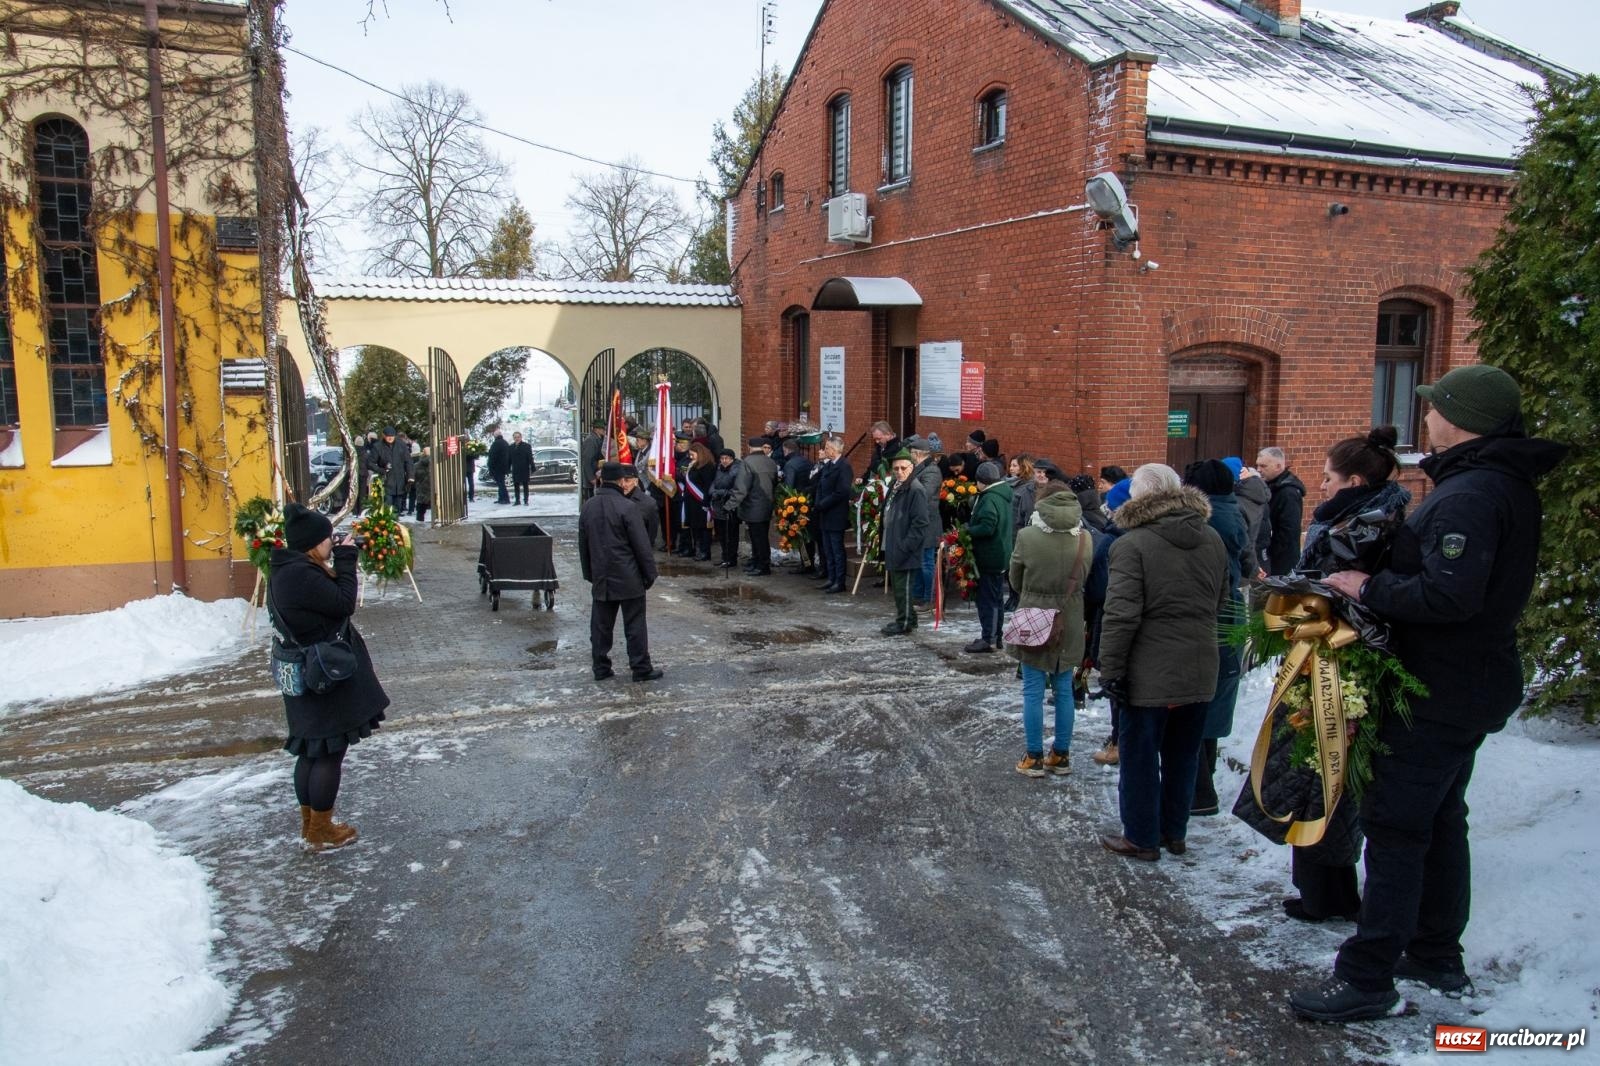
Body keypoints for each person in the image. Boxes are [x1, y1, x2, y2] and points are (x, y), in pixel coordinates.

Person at [1290, 372, 1564, 1022]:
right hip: (1464, 683)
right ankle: (1435, 951)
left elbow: (1449, 595)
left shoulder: (1473, 494)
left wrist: (1366, 586)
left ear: (1460, 419)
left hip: (1436, 691)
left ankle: (1368, 977)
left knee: (1396, 828)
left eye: (1436, 407)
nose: (1428, 417)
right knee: (1440, 818)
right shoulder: (1491, 483)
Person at [1098, 464, 1229, 861]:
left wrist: (1112, 669)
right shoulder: (1212, 539)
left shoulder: (1132, 545)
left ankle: (1141, 836)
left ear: (1141, 498)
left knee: (1139, 757)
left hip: (1148, 672)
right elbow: (1222, 602)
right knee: (1183, 756)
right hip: (1201, 664)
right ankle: (1175, 832)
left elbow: (1120, 615)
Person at [268, 503, 388, 851]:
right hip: (322, 676)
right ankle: (320, 828)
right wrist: (348, 561)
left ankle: (311, 824)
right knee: (328, 753)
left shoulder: (288, 569)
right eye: (327, 538)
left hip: (308, 673)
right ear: (311, 543)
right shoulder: (301, 575)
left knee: (311, 750)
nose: (331, 543)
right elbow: (344, 602)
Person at [1007, 482, 1094, 776]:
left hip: (1034, 616)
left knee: (1032, 690)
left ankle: (1033, 757)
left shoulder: (1027, 536)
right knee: (1064, 689)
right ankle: (1061, 755)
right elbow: (1086, 578)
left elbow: (1015, 578)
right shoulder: (1085, 538)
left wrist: (1033, 594)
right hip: (1070, 619)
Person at [1180, 459, 1247, 818]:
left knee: (1198, 701)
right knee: (1215, 698)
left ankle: (1199, 790)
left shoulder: (1208, 522)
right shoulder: (1233, 512)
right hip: (1230, 614)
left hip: (1213, 617)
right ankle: (1202, 787)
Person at [578, 462, 663, 683]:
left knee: (600, 625)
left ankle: (600, 667)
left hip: (602, 575)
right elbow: (642, 545)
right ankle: (641, 668)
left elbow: (583, 545)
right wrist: (649, 574)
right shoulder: (627, 507)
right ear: (620, 481)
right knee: (634, 624)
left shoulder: (588, 506)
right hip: (629, 575)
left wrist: (589, 573)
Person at [1088, 477, 1132, 767]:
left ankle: (1119, 741)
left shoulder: (1115, 541)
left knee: (1119, 687)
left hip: (1117, 622)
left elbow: (1099, 590)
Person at [964, 461, 1015, 653]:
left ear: (982, 481)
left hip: (990, 556)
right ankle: (995, 636)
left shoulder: (990, 498)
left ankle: (990, 638)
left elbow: (987, 526)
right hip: (1000, 555)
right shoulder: (1002, 494)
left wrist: (968, 531)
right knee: (996, 599)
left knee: (988, 600)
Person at [880, 450, 929, 635]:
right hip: (894, 542)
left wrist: (906, 546)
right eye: (895, 468)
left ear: (911, 468)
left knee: (903, 587)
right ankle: (908, 617)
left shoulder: (915, 489)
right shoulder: (896, 484)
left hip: (905, 547)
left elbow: (920, 523)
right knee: (899, 587)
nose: (899, 471)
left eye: (903, 468)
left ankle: (905, 622)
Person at [729, 436, 778, 575]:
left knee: (757, 538)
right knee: (761, 536)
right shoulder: (771, 462)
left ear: (749, 447)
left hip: (752, 506)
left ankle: (761, 566)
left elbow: (741, 487)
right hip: (767, 504)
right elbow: (775, 482)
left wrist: (730, 504)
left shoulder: (747, 462)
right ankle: (758, 562)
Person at [811, 435, 854, 593]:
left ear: (836, 450)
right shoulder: (828, 465)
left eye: (828, 448)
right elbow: (820, 486)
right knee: (827, 548)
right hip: (824, 514)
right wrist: (818, 503)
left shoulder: (844, 466)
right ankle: (831, 577)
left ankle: (839, 581)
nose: (825, 450)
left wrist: (823, 504)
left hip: (835, 514)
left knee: (836, 549)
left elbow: (841, 492)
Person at [1256, 446, 1305, 576]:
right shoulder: (1272, 487)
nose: (1258, 470)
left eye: (1263, 466)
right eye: (1258, 465)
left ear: (1278, 466)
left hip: (1282, 561)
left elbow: (1288, 530)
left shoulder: (1288, 493)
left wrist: (1271, 552)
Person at [905, 436, 942, 605]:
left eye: (912, 453)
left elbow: (924, 494)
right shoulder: (918, 468)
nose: (910, 455)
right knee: (918, 560)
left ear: (918, 454)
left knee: (927, 562)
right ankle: (918, 595)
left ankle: (930, 597)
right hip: (917, 522)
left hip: (927, 523)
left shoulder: (932, 470)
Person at [1223, 457, 1270, 579]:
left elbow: (1244, 542)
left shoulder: (1237, 504)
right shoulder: (1255, 495)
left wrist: (1254, 569)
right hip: (1250, 562)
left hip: (1237, 569)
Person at [682, 442, 717, 561]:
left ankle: (705, 552)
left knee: (703, 528)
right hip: (691, 502)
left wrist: (706, 502)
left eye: (693, 454)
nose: (690, 457)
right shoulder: (693, 465)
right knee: (695, 527)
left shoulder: (707, 466)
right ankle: (698, 549)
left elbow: (708, 486)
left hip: (701, 501)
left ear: (700, 453)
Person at [709, 448, 743, 569]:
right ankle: (725, 557)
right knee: (721, 535)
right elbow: (713, 482)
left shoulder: (737, 470)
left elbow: (737, 489)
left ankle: (731, 558)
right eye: (722, 458)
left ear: (732, 459)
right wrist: (712, 491)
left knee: (731, 535)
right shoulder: (718, 469)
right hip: (718, 506)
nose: (724, 461)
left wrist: (722, 492)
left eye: (727, 458)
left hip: (730, 507)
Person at [374, 427, 411, 514]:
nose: (390, 438)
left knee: (397, 507)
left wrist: (410, 476)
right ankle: (388, 522)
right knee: (387, 506)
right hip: (386, 481)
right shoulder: (378, 446)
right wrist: (381, 470)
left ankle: (395, 522)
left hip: (399, 481)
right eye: (388, 436)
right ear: (384, 436)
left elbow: (408, 461)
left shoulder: (401, 445)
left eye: (392, 436)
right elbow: (370, 463)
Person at [580, 422, 606, 502]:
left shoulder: (597, 439)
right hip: (592, 477)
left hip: (595, 474)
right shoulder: (591, 440)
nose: (604, 431)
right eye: (602, 429)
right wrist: (591, 478)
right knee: (591, 500)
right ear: (596, 429)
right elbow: (587, 460)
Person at [509, 431, 535, 506]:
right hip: (515, 469)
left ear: (521, 437)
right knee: (516, 485)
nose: (517, 439)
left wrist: (532, 467)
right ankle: (517, 500)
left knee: (525, 485)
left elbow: (530, 457)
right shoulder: (511, 447)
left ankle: (526, 500)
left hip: (524, 468)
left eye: (518, 437)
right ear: (513, 438)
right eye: (515, 437)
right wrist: (507, 468)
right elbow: (509, 459)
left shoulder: (526, 446)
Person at [486, 429, 510, 505]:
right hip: (504, 467)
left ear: (495, 436)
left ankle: (505, 499)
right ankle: (501, 498)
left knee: (501, 484)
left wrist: (490, 466)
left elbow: (492, 456)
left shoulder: (496, 444)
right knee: (501, 483)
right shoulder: (505, 443)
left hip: (497, 467)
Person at [412, 445, 433, 524]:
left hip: (421, 489)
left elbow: (414, 478)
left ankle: (419, 522)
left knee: (420, 510)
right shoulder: (435, 463)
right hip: (433, 488)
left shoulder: (417, 465)